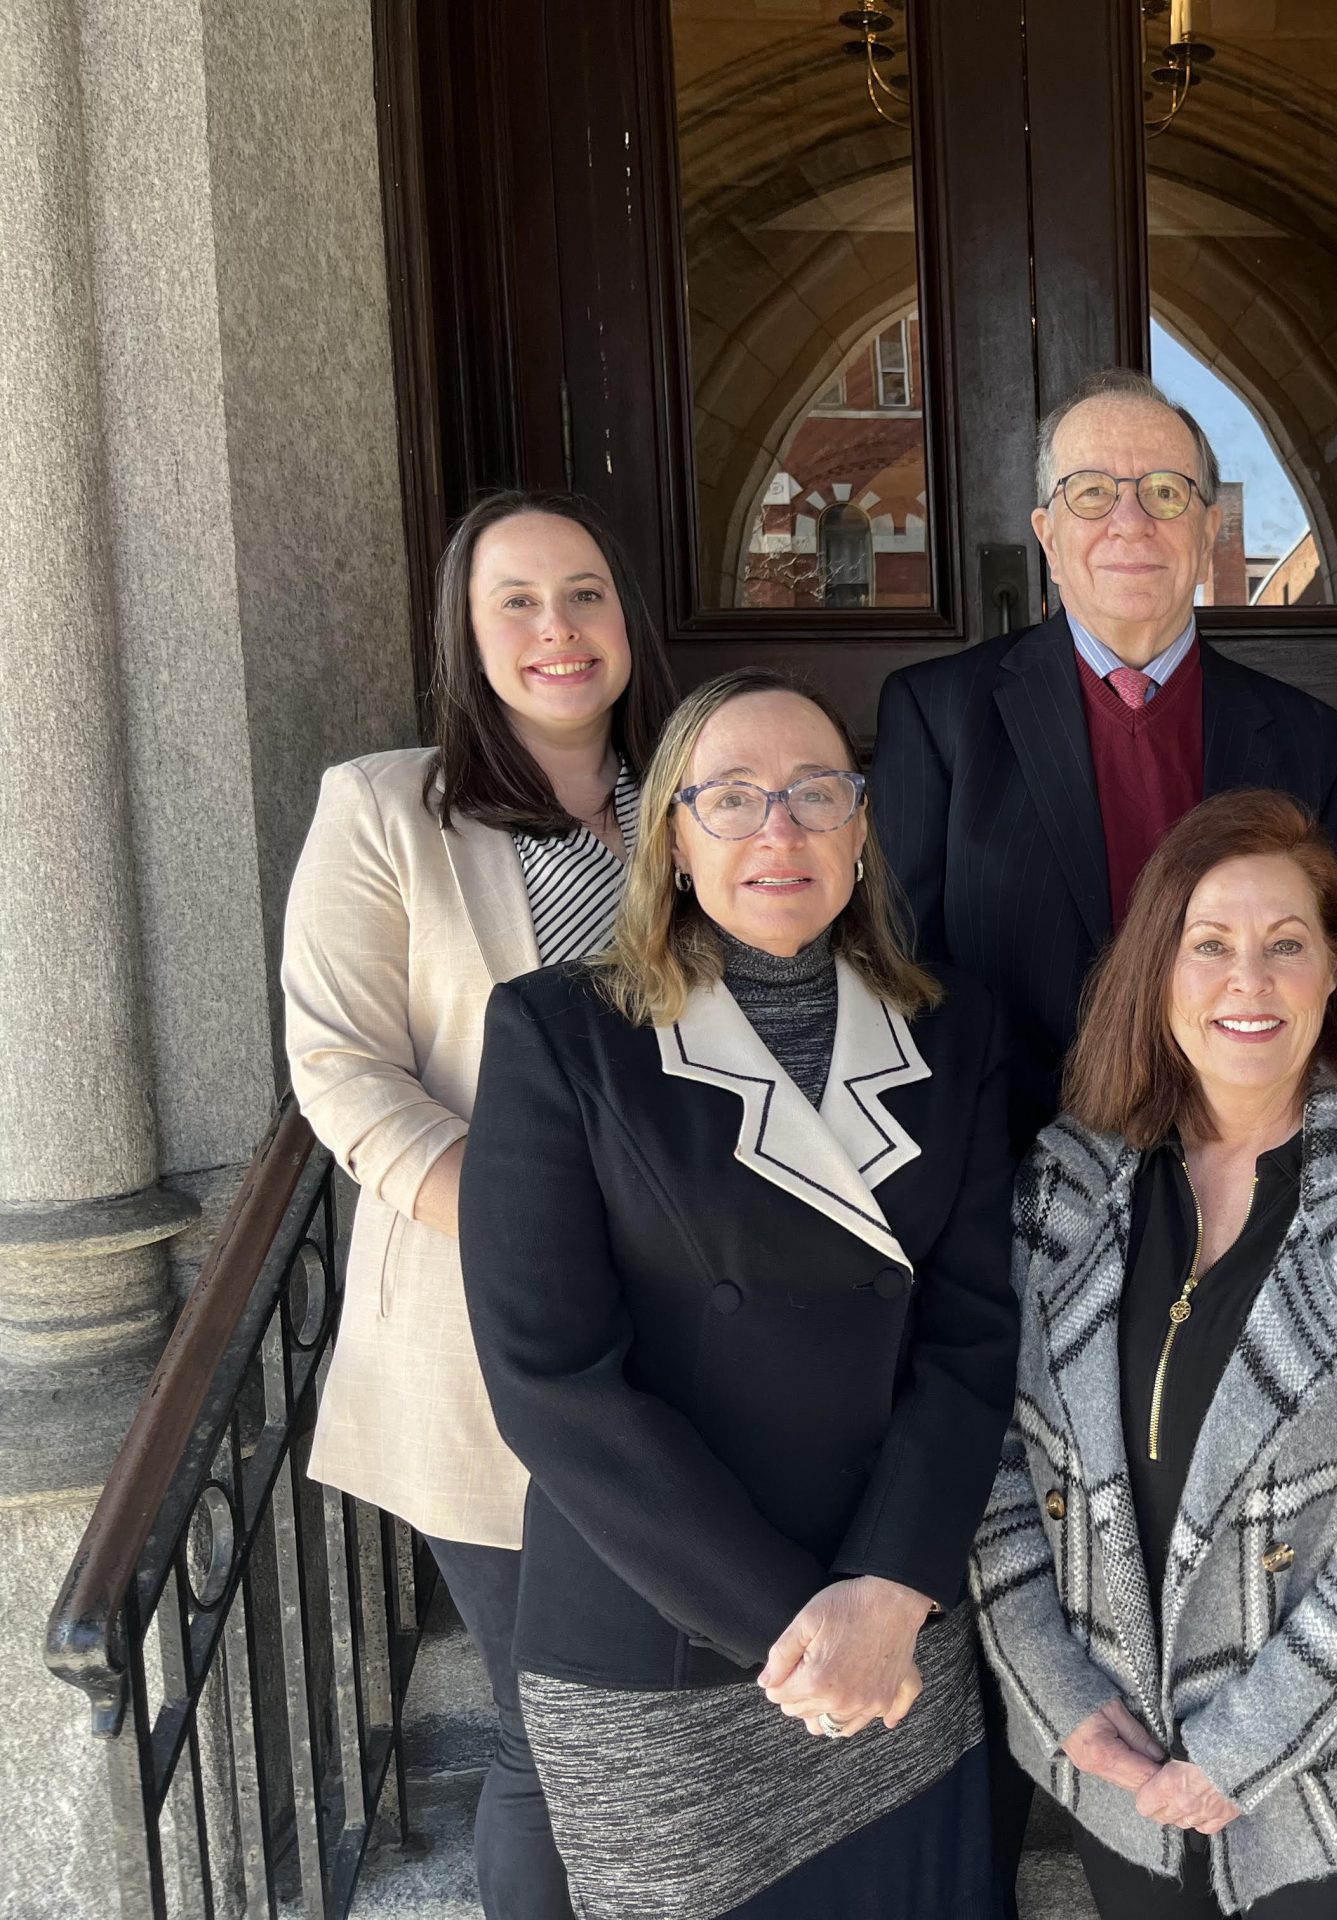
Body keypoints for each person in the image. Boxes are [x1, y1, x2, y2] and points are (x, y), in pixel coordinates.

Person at [457, 670, 1019, 1919]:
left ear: (862, 829)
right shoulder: (561, 1032)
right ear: (672, 834)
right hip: (665, 1633)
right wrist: (800, 1630)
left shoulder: (956, 1029)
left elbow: (974, 1341)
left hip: (896, 1611)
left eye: (818, 793)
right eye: (734, 798)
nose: (782, 829)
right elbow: (552, 1383)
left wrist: (885, 1593)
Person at [972, 791, 1337, 1920]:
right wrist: (1061, 1697)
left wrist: (1239, 1748)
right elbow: (994, 1467)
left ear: (1335, 978)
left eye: (1285, 947)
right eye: (1207, 946)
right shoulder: (1065, 1183)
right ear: (1155, 972)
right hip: (1114, 1751)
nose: (1247, 983)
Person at [279, 489, 676, 1919]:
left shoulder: (684, 804)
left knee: (658, 1719)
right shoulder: (386, 808)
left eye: (584, 593)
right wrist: (513, 1226)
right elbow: (339, 1065)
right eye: (516, 600)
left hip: (681, 1337)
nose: (557, 629)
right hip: (487, 1337)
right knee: (548, 1722)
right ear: (464, 629)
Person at [870, 367, 1337, 1156]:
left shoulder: (1317, 744)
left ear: (1210, 527)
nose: (1130, 520)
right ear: (1047, 535)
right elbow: (900, 981)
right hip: (1009, 1169)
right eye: (1091, 492)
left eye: (1165, 491)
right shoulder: (937, 716)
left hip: (1251, 1183)